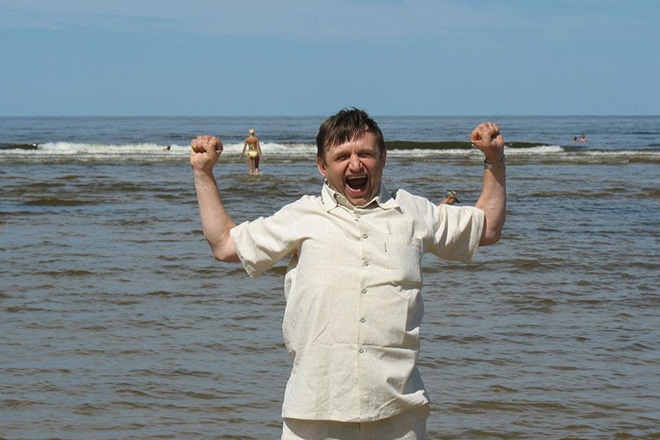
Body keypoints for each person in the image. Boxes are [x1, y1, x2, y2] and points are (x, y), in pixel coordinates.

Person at [190, 108, 506, 439]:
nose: (355, 165)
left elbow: (487, 228)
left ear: (383, 158)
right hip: (313, 413)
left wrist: (495, 159)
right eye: (342, 156)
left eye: (365, 154)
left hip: (398, 415)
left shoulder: (413, 212)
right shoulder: (301, 215)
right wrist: (202, 172)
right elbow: (224, 244)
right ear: (322, 166)